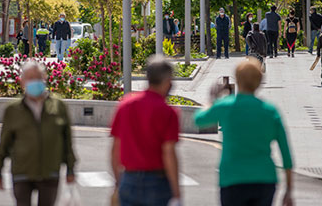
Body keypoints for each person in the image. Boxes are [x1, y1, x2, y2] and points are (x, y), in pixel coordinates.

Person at [194, 59, 294, 206]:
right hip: (264, 179)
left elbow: (199, 120)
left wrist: (212, 100)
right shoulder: (270, 112)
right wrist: (289, 190)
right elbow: (286, 155)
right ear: (259, 81)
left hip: (232, 179)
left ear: (238, 80)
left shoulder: (226, 107)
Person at [0, 61, 76, 206]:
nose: (34, 82)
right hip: (22, 173)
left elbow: (67, 141)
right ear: (22, 82)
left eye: (38, 78)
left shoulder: (58, 106)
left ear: (44, 78)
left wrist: (70, 168)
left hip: (50, 172)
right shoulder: (13, 110)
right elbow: (4, 143)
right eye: (30, 78)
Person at [111, 55, 181, 206]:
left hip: (128, 180)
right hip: (157, 182)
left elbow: (115, 149)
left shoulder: (125, 105)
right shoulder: (168, 112)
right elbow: (169, 152)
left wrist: (118, 183)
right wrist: (176, 193)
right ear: (167, 81)